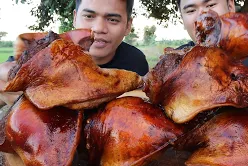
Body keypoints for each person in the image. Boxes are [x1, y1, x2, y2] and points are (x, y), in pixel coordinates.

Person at [0, 0, 149, 106]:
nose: (98, 28)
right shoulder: (42, 54)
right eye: (89, 16)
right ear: (74, 18)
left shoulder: (135, 61)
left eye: (112, 19)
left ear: (128, 25)